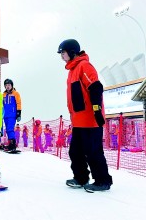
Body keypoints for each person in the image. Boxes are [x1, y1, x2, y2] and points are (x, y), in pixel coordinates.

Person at [57, 39, 113, 192]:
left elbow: (95, 87)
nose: (61, 55)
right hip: (78, 121)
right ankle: (81, 178)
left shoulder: (84, 66)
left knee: (93, 152)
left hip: (90, 120)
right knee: (75, 152)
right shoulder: (72, 71)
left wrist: (96, 110)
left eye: (63, 52)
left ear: (72, 51)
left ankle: (102, 181)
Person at [3, 79, 22, 152]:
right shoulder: (3, 94)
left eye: (9, 85)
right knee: (7, 130)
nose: (7, 87)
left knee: (10, 129)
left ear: (12, 85)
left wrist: (18, 113)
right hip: (5, 115)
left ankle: (13, 145)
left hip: (12, 115)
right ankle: (10, 144)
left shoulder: (15, 93)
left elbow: (19, 103)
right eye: (6, 85)